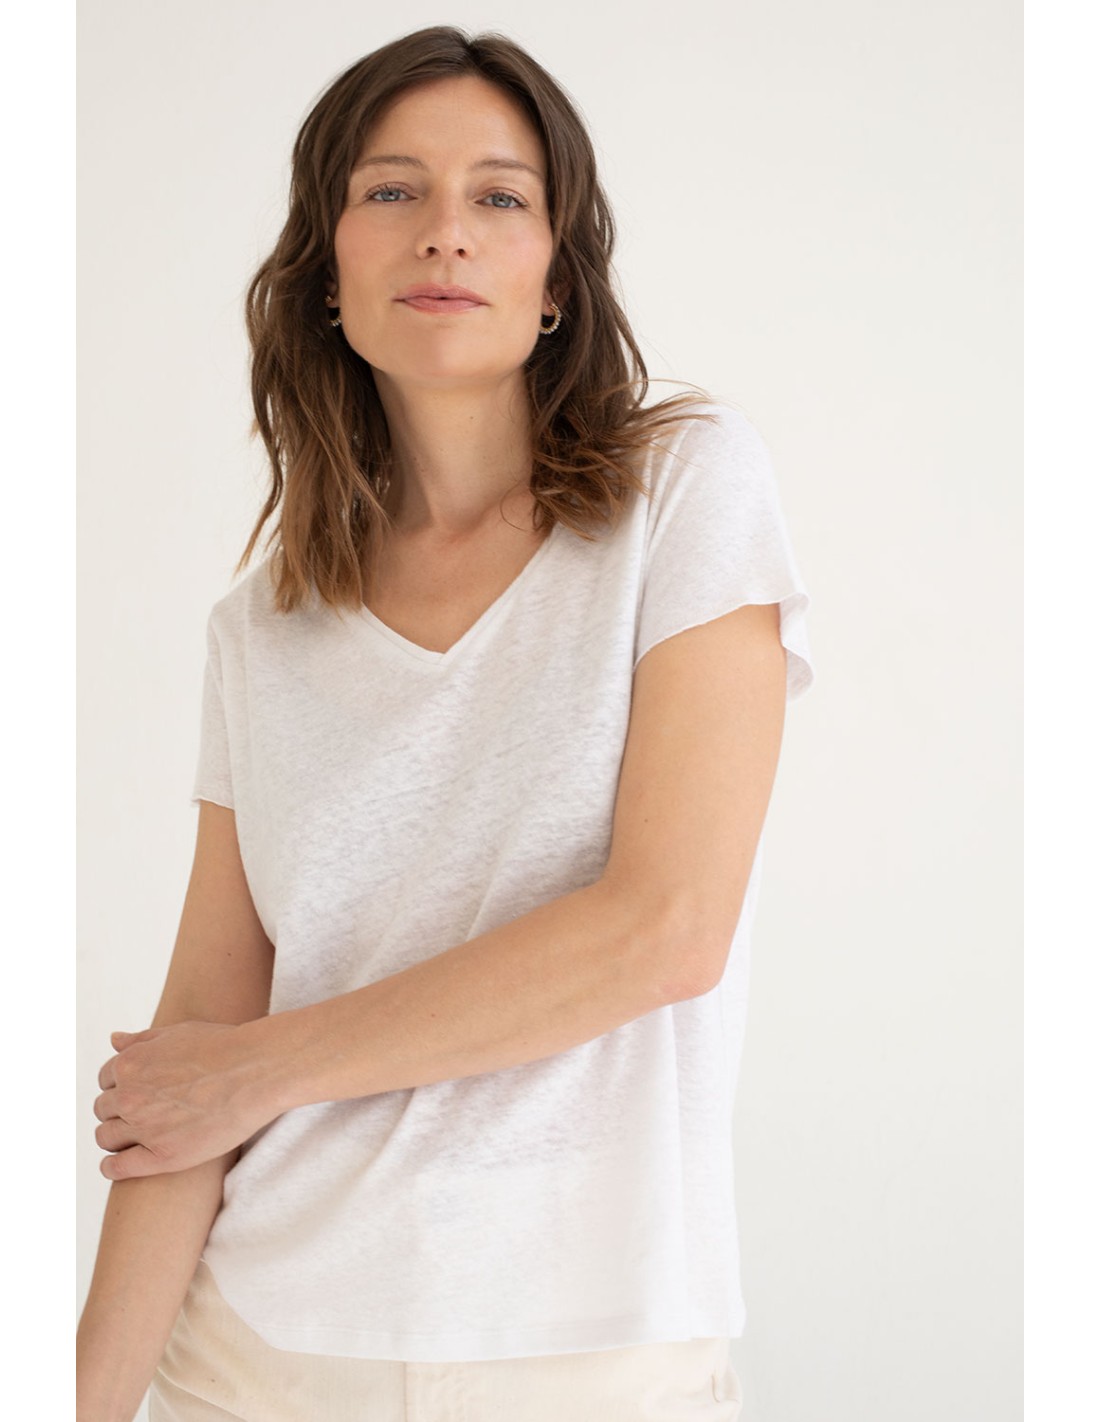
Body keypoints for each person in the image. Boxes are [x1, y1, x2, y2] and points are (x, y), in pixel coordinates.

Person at [77, 25, 814, 1422]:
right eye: (391, 189)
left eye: (499, 195)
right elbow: (191, 1049)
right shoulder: (262, 627)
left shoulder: (684, 494)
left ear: (557, 279)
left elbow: (665, 928)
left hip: (590, 1355)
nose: (445, 232)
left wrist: (258, 1070)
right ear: (328, 270)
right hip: (253, 1356)